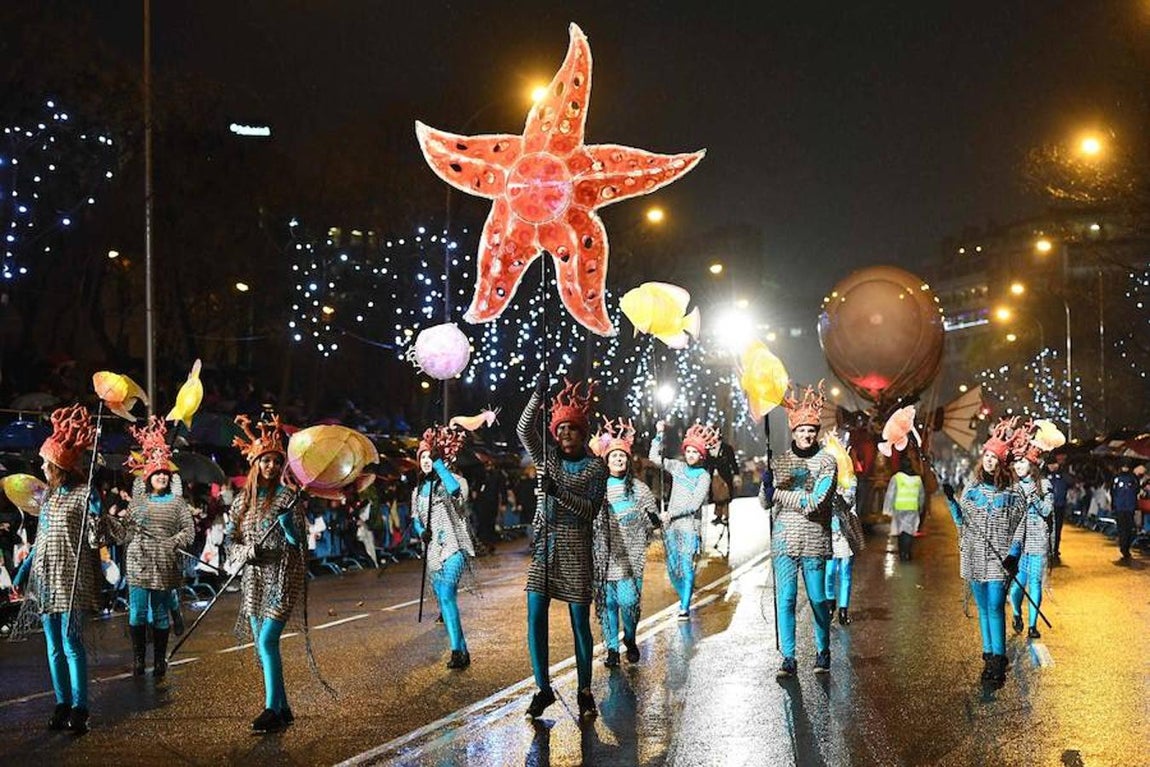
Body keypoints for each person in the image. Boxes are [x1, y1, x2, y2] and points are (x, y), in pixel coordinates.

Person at [517, 378, 607, 721]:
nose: (566, 433)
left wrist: (558, 492)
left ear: (583, 434)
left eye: (572, 428)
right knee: (535, 615)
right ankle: (543, 689)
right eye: (561, 428)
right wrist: (537, 396)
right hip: (546, 545)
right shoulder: (547, 457)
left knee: (578, 622)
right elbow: (524, 429)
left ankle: (584, 691)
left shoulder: (595, 467)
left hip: (576, 547)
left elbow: (590, 511)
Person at [12, 405, 99, 733]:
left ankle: (81, 707)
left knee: (72, 644)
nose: (42, 467)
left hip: (72, 578)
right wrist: (24, 570)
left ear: (59, 466)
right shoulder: (46, 498)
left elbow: (94, 536)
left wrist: (97, 512)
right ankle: (62, 703)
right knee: (53, 646)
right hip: (45, 579)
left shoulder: (82, 494)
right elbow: (41, 540)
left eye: (46, 463)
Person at [226, 414, 304, 734]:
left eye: (275, 461)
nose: (271, 466)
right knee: (261, 645)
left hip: (283, 576)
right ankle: (283, 708)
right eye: (265, 461)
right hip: (254, 581)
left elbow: (299, 540)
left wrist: (288, 526)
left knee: (268, 641)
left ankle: (271, 708)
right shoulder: (242, 502)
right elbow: (231, 539)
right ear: (256, 464)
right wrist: (244, 553)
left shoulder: (288, 497)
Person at [105, 417, 194, 678]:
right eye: (158, 474)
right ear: (149, 477)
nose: (162, 477)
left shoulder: (177, 503)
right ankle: (138, 660)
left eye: (166, 474)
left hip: (165, 563)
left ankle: (159, 661)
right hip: (139, 561)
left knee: (160, 613)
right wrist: (110, 524)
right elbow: (126, 531)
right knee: (138, 613)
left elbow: (189, 530)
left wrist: (173, 542)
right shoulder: (139, 502)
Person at [759, 383, 836, 677]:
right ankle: (788, 657)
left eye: (811, 431)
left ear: (817, 433)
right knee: (787, 599)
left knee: (817, 599)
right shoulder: (779, 462)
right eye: (802, 430)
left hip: (814, 539)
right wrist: (766, 486)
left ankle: (822, 650)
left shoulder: (827, 462)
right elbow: (765, 503)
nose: (807, 435)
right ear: (793, 432)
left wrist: (778, 493)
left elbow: (814, 503)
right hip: (783, 542)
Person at [942, 418, 1026, 687]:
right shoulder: (972, 488)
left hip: (1000, 559)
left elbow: (1020, 526)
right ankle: (988, 656)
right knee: (982, 608)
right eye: (987, 455)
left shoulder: (1013, 491)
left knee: (995, 606)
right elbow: (961, 521)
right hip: (975, 557)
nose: (989, 460)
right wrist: (952, 501)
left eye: (995, 457)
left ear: (1002, 462)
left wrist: (1014, 553)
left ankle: (999, 660)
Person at [590, 417, 657, 667]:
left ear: (628, 460)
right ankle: (611, 649)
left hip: (632, 558)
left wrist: (653, 520)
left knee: (629, 603)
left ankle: (629, 637)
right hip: (604, 556)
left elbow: (652, 525)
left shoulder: (640, 490)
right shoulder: (598, 489)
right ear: (606, 461)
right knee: (607, 604)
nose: (618, 460)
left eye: (622, 456)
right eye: (614, 456)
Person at [413, 424, 475, 669]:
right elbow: (416, 519)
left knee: (448, 595)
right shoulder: (418, 490)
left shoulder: (455, 480)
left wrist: (440, 466)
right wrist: (421, 532)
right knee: (444, 599)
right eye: (423, 458)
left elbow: (456, 493)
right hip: (433, 552)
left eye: (430, 456)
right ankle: (462, 648)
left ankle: (456, 651)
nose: (426, 461)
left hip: (454, 547)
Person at [650, 420, 719, 620]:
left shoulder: (703, 476)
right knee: (672, 568)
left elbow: (695, 505)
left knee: (686, 565)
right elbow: (654, 457)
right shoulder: (678, 468)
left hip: (689, 526)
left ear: (701, 455)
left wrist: (671, 514)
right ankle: (684, 595)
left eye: (695, 452)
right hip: (671, 527)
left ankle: (685, 605)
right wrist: (658, 435)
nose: (690, 455)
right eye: (688, 451)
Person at [1007, 422, 1053, 640]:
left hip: (1037, 542)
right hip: (1018, 544)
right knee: (1016, 588)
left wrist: (1034, 496)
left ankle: (1033, 625)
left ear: (1032, 463)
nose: (1017, 465)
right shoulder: (1013, 487)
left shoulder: (1044, 484)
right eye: (1016, 462)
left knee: (1035, 583)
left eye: (1022, 461)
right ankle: (1017, 613)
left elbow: (1047, 510)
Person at [826, 463, 864, 626]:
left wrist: (836, 493)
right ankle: (830, 604)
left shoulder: (851, 479)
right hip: (828, 534)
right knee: (829, 572)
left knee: (845, 573)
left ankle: (843, 610)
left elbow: (848, 502)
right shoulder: (825, 478)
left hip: (846, 534)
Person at [883, 460, 926, 561]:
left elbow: (890, 494)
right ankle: (907, 552)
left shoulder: (897, 478)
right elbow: (921, 496)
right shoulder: (918, 480)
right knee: (909, 531)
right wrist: (920, 508)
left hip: (899, 508)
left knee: (900, 531)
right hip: (912, 508)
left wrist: (887, 509)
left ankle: (902, 553)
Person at [1110, 462, 1139, 561]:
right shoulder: (1116, 478)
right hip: (1120, 507)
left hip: (1130, 507)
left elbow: (1137, 490)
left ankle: (1126, 546)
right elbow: (1112, 492)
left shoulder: (1133, 478)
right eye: (1123, 466)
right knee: (1122, 529)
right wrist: (1114, 505)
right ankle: (1124, 548)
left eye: (1127, 466)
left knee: (1131, 529)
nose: (1125, 468)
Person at [708, 437, 739, 525]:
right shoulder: (709, 449)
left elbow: (733, 462)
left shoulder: (727, 448)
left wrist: (736, 474)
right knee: (716, 496)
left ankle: (726, 515)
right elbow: (707, 463)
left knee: (725, 496)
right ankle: (718, 515)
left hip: (724, 476)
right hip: (714, 476)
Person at [1046, 457, 1068, 562]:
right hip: (1048, 507)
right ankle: (1048, 550)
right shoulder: (1045, 476)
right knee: (1048, 529)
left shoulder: (1062, 475)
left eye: (1053, 464)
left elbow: (1071, 481)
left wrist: (1061, 471)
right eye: (1050, 465)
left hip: (1059, 506)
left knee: (1057, 530)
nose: (1051, 467)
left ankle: (1055, 550)